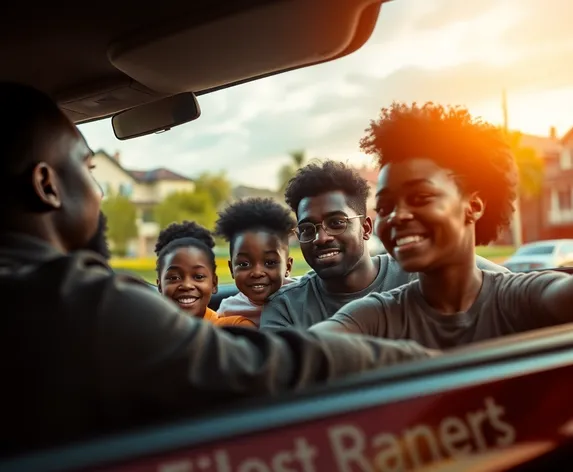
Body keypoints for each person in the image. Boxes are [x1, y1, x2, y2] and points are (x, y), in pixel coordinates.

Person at [0, 82, 434, 455]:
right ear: (46, 185)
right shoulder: (85, 305)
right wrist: (435, 366)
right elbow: (270, 368)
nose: (97, 190)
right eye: (89, 168)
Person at [310, 102, 573, 348]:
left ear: (474, 206)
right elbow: (306, 351)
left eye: (420, 197)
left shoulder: (521, 298)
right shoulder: (374, 316)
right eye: (385, 207)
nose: (397, 216)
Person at [260, 160, 508, 330]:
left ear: (366, 228)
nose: (321, 238)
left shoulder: (424, 272)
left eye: (336, 222)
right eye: (307, 229)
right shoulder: (286, 308)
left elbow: (505, 288)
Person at [155, 220, 256, 327]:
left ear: (214, 283)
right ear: (159, 286)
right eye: (174, 278)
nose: (187, 285)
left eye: (198, 276)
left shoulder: (235, 328)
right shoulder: (147, 331)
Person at [215, 197, 295, 326]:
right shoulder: (228, 310)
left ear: (288, 266)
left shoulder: (300, 298)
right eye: (244, 264)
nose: (257, 273)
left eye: (270, 262)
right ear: (231, 269)